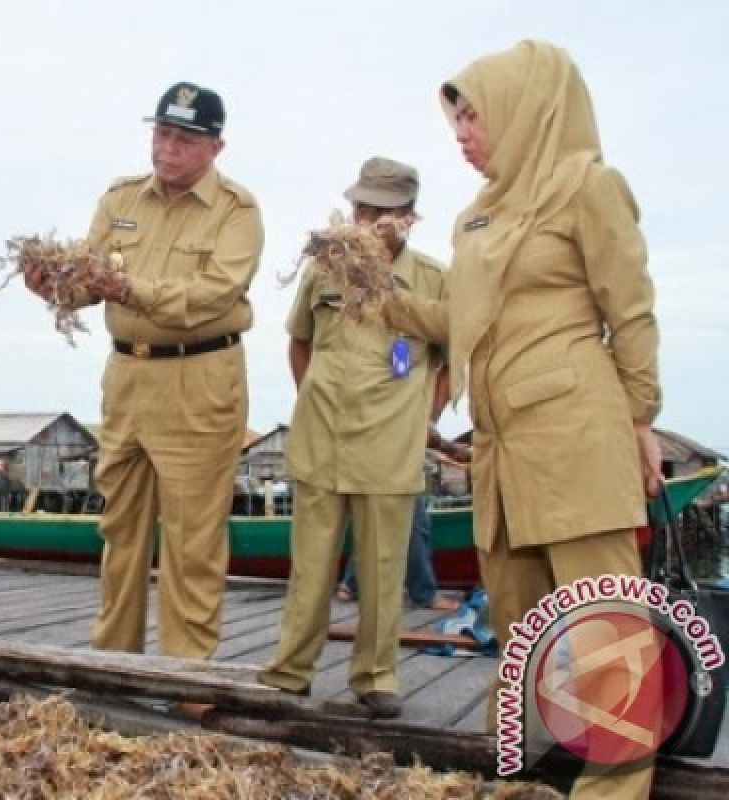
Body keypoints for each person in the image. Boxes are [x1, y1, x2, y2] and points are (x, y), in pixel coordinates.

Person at [385, 40, 662, 798]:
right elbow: (459, 315)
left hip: (577, 435)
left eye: (474, 116)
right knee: (520, 626)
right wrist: (382, 290)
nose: (463, 134)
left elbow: (629, 312)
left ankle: (613, 788)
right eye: (457, 120)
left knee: (607, 632)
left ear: (525, 109)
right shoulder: (476, 217)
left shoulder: (589, 187)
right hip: (500, 450)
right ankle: (522, 776)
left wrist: (641, 418)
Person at [24, 81, 263, 662]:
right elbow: (87, 283)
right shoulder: (120, 199)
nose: (167, 149)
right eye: (161, 134)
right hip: (127, 378)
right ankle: (115, 662)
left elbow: (214, 293)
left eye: (184, 138)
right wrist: (53, 285)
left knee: (192, 541)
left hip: (200, 378)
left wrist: (130, 287)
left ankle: (186, 678)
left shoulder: (238, 211)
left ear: (216, 147)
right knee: (120, 532)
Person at [257, 157, 444, 719]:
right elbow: (299, 344)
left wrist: (418, 424)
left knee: (385, 570)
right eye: (361, 207)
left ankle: (376, 677)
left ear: (408, 217)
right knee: (310, 568)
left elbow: (451, 361)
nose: (367, 220)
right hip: (321, 439)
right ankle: (289, 673)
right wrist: (313, 399)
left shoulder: (436, 279)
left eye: (382, 211)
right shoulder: (322, 270)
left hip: (390, 450)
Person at [337, 427, 472, 611]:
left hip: (369, 453)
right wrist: (451, 448)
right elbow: (420, 429)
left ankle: (351, 584)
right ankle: (424, 593)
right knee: (416, 524)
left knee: (372, 522)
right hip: (394, 456)